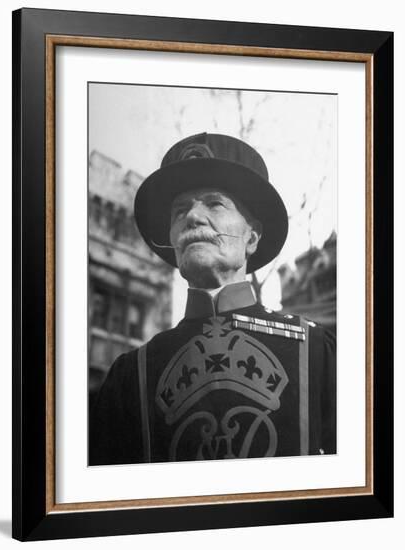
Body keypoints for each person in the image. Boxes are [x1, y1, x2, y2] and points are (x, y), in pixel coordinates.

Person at [89, 132, 336, 465]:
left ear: (252, 237)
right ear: (173, 242)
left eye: (215, 203)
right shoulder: (129, 376)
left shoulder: (317, 351)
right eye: (179, 211)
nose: (192, 217)